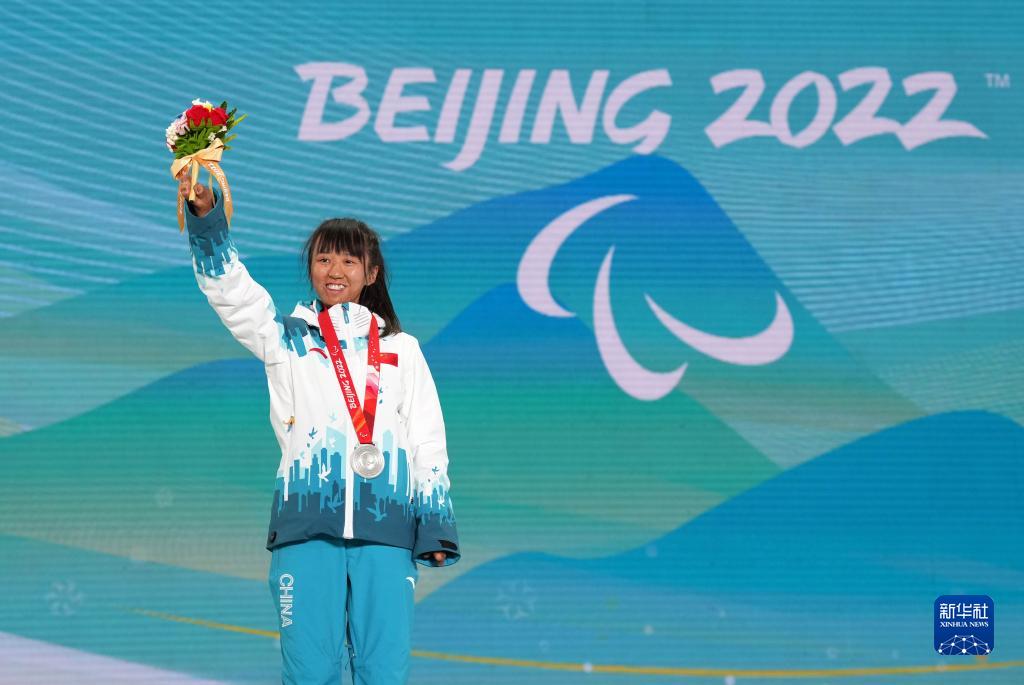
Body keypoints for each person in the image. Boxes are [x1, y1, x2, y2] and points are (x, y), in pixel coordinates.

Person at [177, 175, 459, 685]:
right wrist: (205, 217)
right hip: (306, 529)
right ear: (310, 268)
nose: (335, 270)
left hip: (387, 534)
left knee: (384, 674)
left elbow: (426, 440)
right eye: (324, 259)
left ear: (371, 272)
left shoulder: (402, 350)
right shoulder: (285, 339)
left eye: (349, 260)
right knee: (310, 673)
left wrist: (435, 525)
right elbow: (232, 293)